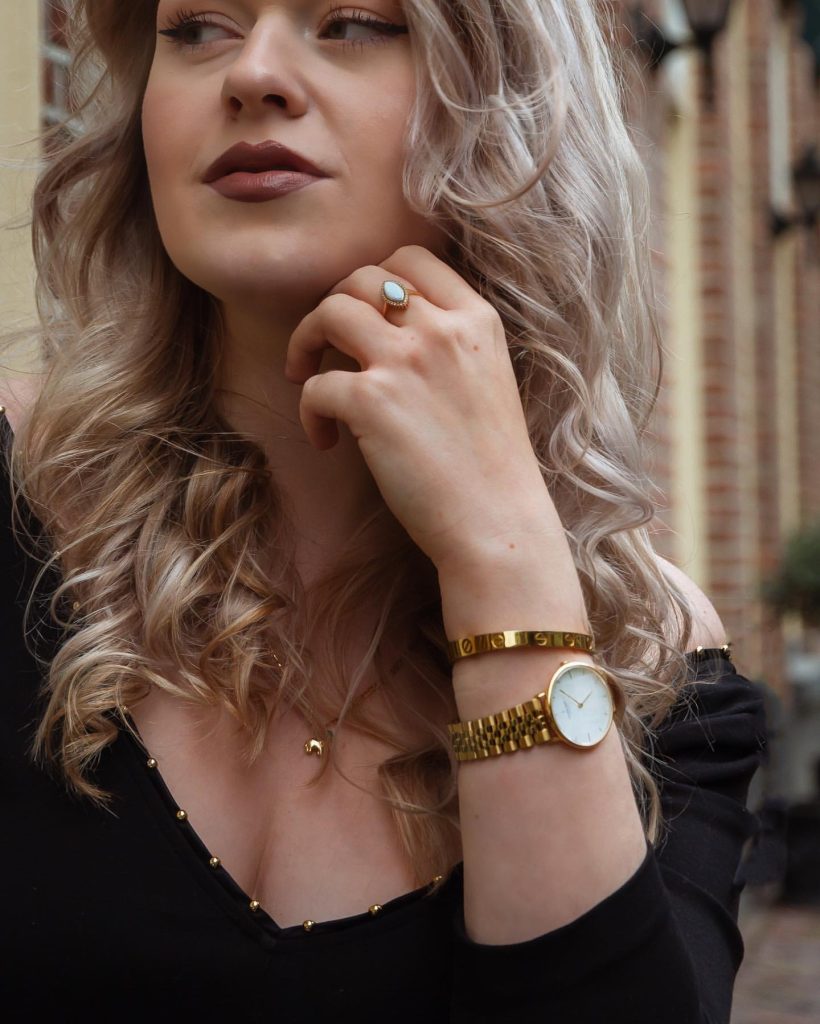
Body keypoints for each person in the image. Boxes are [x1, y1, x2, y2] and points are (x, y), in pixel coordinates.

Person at [0, 1, 767, 1020]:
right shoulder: (22, 490)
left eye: (354, 22)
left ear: (506, 103)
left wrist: (500, 557)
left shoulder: (655, 655)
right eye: (197, 27)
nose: (252, 73)